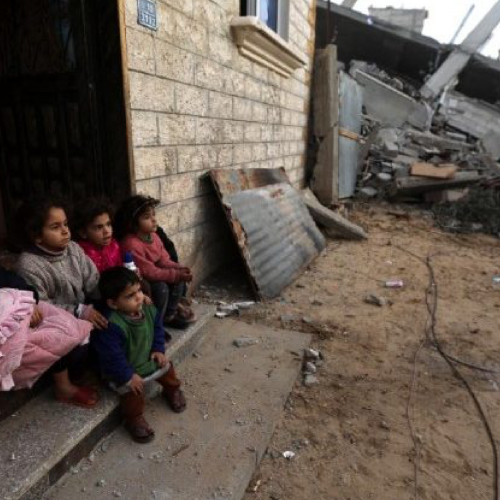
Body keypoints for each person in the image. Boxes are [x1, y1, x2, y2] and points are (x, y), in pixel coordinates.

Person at [14, 197, 107, 407]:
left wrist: (117, 293)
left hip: (82, 310)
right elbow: (42, 307)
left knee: (115, 315)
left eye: (65, 224)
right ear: (36, 235)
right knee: (74, 344)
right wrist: (78, 311)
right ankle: (71, 379)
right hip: (56, 322)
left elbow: (93, 282)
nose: (65, 231)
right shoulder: (29, 265)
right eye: (55, 227)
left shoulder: (73, 248)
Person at [94, 267, 186, 443]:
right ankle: (134, 418)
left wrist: (158, 349)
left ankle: (172, 390)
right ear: (113, 304)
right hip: (125, 369)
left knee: (167, 368)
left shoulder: (148, 309)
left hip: (147, 358)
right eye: (130, 296)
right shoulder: (110, 325)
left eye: (139, 291)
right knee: (132, 392)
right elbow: (111, 356)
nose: (139, 297)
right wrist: (128, 376)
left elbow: (158, 329)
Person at [115, 195, 194, 329]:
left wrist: (180, 268)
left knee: (179, 280)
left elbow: (164, 260)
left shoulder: (154, 236)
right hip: (140, 279)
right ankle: (156, 324)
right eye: (147, 217)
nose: (154, 220)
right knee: (161, 288)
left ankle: (169, 315)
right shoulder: (131, 244)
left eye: (153, 215)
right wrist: (175, 274)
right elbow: (150, 272)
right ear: (133, 223)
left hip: (153, 273)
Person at [73, 198, 122, 273]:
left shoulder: (114, 246)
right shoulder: (81, 254)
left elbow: (121, 270)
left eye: (108, 224)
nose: (106, 231)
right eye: (99, 227)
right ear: (83, 233)